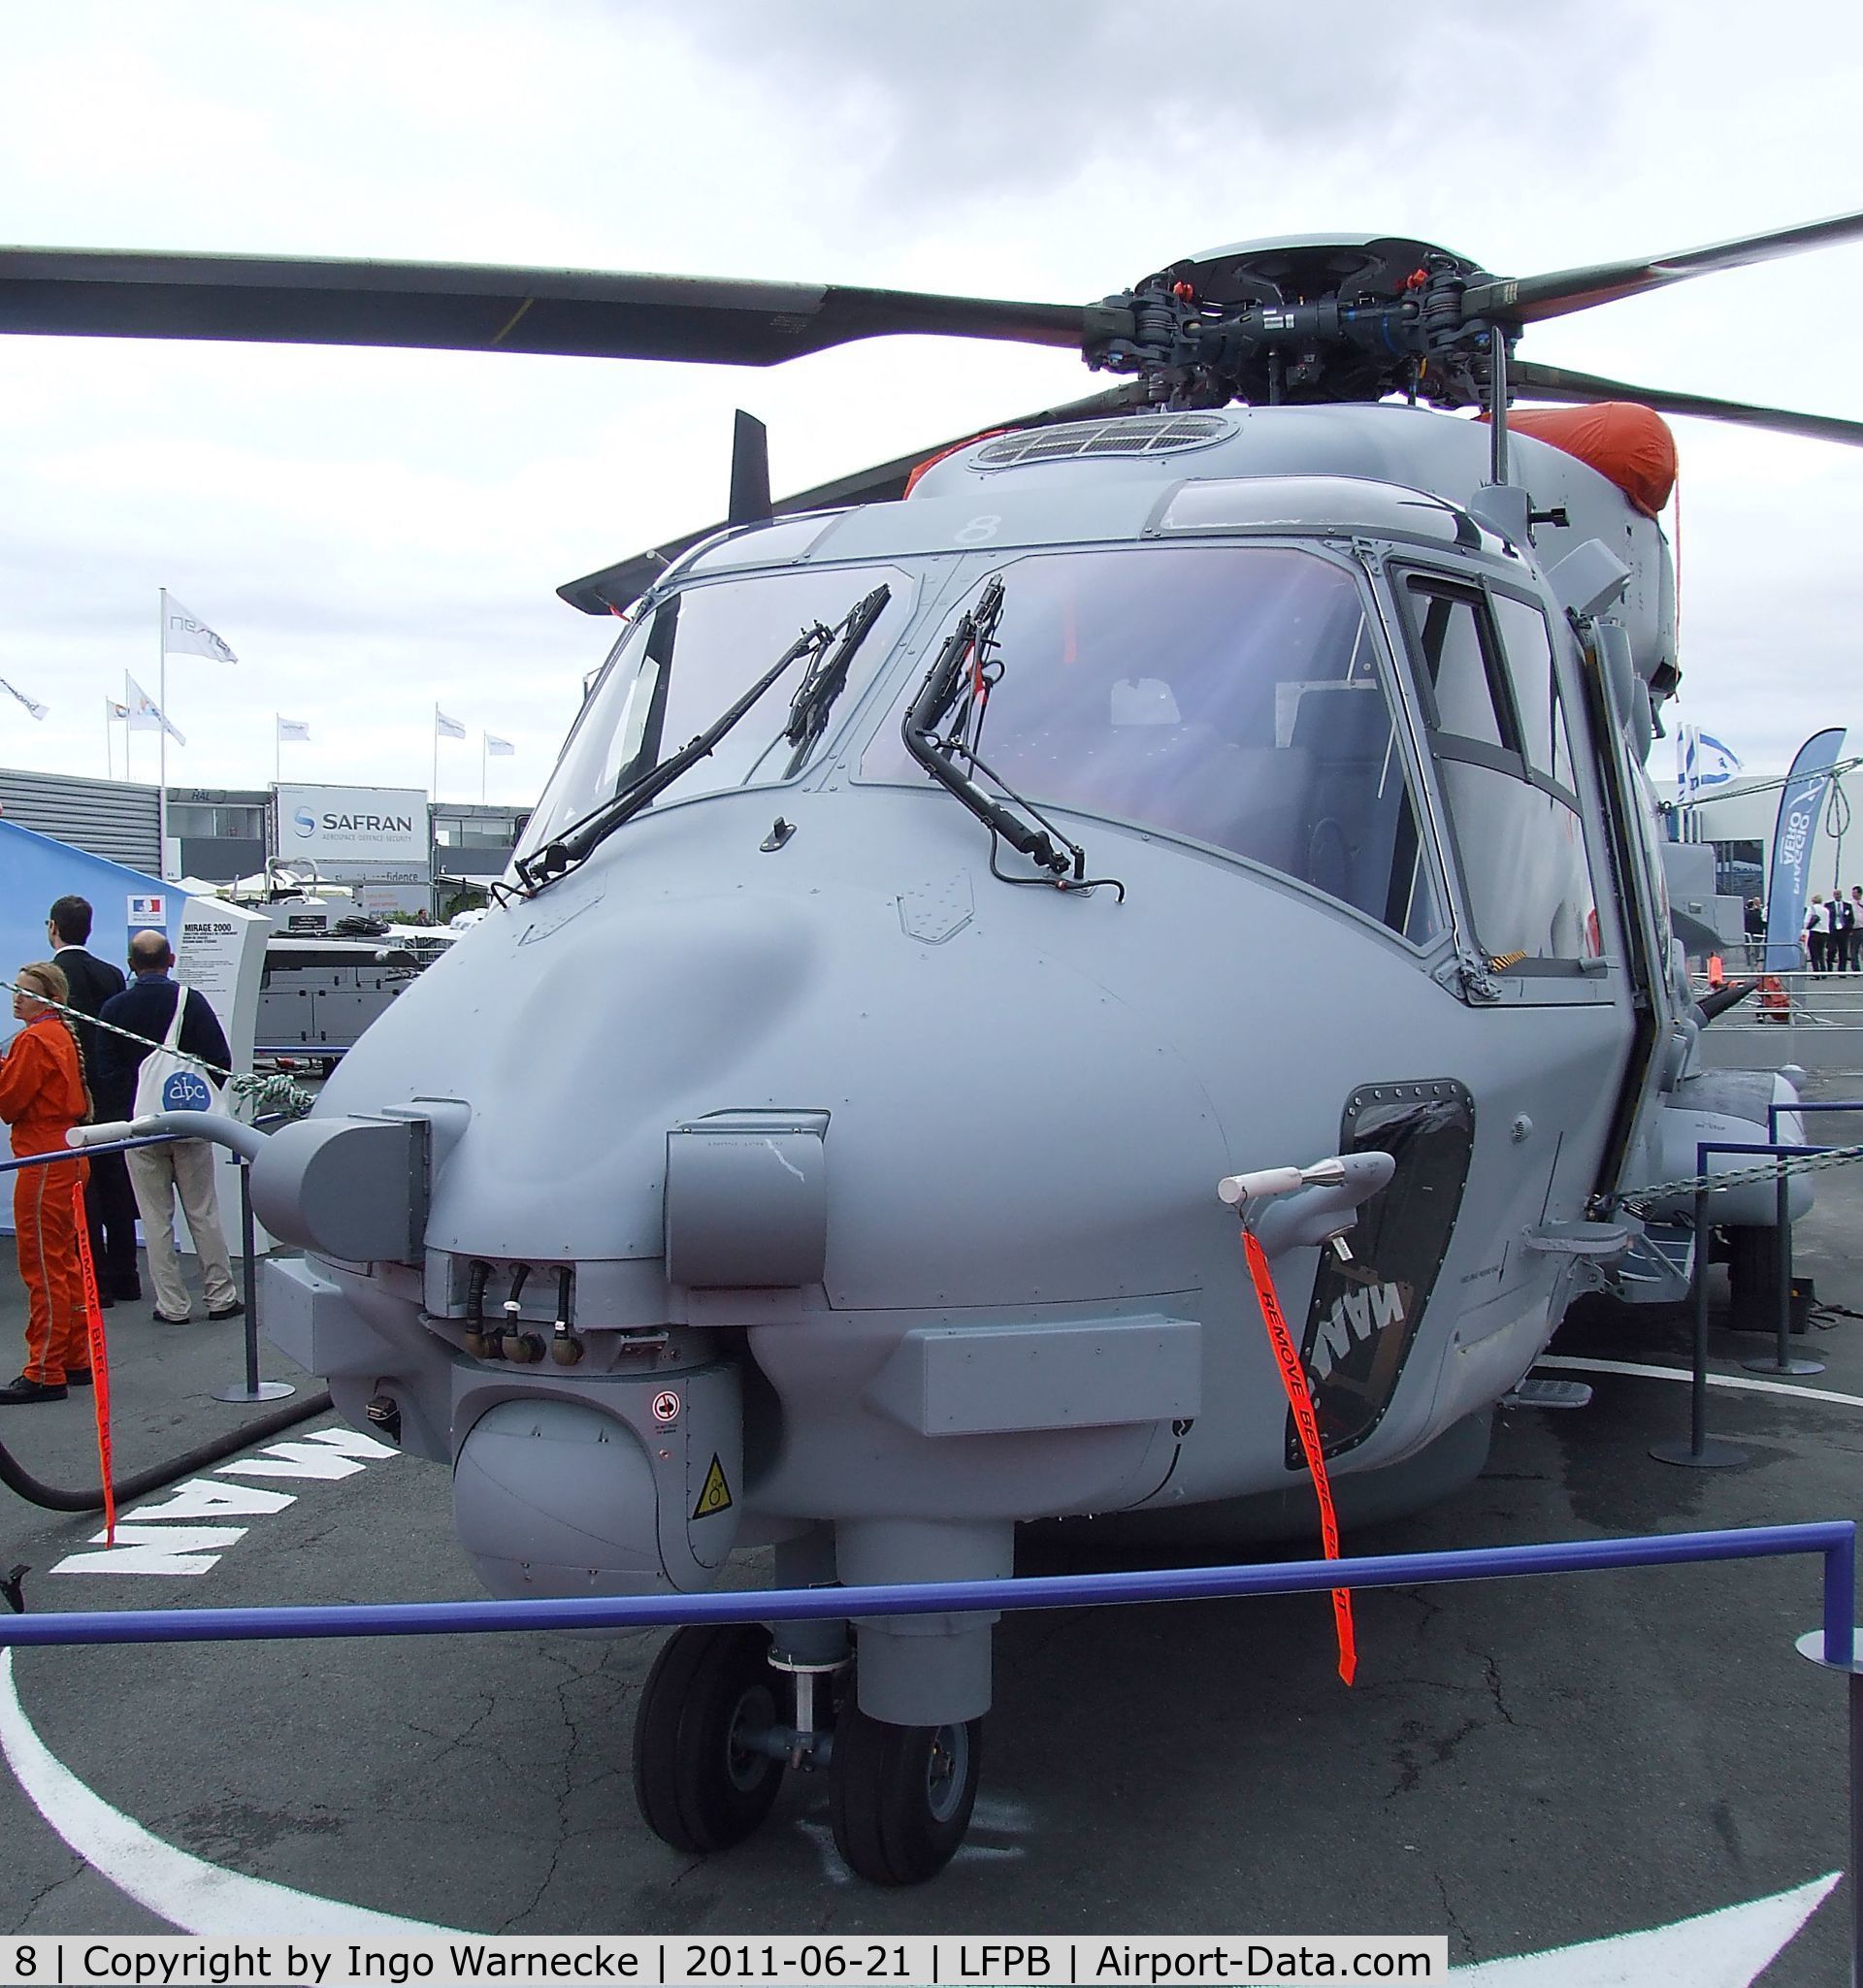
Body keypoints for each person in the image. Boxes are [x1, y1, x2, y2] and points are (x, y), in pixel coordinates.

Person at [95, 931, 243, 1325]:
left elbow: (105, 1073)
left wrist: (133, 1106)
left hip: (139, 1126)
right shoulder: (190, 1002)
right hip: (189, 1124)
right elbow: (219, 1059)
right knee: (203, 1211)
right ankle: (220, 1296)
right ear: (171, 959)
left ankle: (172, 1305)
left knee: (156, 1218)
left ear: (130, 963)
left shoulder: (114, 1008)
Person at [0, 963, 93, 1402]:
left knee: (42, 1264)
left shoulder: (34, 1040)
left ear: (48, 998)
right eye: (17, 991)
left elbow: (9, 1102)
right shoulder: (57, 1035)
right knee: (65, 1262)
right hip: (67, 1152)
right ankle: (74, 1356)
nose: (17, 998)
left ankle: (44, 1368)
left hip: (43, 1158)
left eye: (26, 993)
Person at [47, 895, 140, 1305]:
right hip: (114, 1093)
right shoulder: (111, 973)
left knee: (83, 1189)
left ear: (53, 927)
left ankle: (94, 1279)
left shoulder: (49, 977)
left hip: (75, 1095)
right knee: (115, 1183)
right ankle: (125, 1275)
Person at [1836, 886, 1859, 974]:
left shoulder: (1848, 905)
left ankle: (1844, 969)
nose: (1853, 894)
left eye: (1855, 892)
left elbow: (1850, 918)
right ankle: (1855, 968)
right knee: (1853, 949)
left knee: (1846, 950)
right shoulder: (1851, 903)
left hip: (1854, 929)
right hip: (1840, 930)